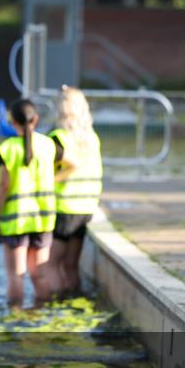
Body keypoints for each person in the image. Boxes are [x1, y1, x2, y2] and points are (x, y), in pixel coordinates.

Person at [0, 99, 57, 309]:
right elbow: (67, 164)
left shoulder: (7, 149)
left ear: (11, 122)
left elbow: (3, 186)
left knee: (16, 276)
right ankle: (42, 315)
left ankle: (16, 320)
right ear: (36, 119)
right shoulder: (48, 145)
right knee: (39, 275)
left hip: (15, 221)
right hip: (43, 220)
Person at [45, 87, 103, 295]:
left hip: (65, 208)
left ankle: (55, 307)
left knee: (50, 265)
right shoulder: (91, 138)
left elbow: (72, 164)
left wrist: (48, 181)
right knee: (70, 266)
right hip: (86, 208)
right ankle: (75, 304)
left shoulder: (59, 138)